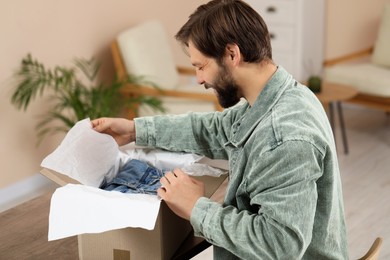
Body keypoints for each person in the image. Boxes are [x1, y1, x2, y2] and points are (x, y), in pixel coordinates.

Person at [92, 0, 348, 259]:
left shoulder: (283, 137)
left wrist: (196, 207)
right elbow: (213, 129)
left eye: (201, 66)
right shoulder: (277, 97)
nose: (200, 79)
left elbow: (280, 246)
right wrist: (135, 129)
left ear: (232, 54)